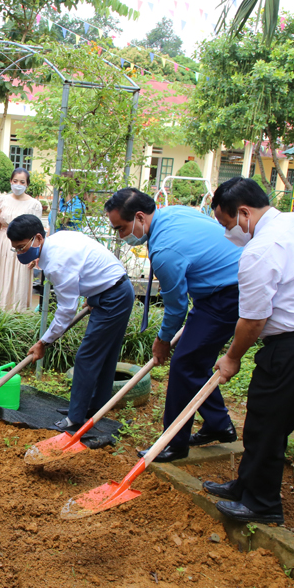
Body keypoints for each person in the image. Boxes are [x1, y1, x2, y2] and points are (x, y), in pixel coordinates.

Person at [205, 177, 294, 524]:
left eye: (227, 224)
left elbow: (252, 321)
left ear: (243, 212)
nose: (229, 233)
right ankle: (245, 487)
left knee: (267, 423)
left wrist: (232, 357)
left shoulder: (260, 250)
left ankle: (263, 505)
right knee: (264, 420)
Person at [106, 188, 243, 463]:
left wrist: (163, 340)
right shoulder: (172, 213)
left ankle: (173, 443)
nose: (121, 236)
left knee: (183, 365)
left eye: (121, 228)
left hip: (227, 294)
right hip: (219, 291)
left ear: (140, 217)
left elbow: (177, 306)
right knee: (195, 363)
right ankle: (219, 425)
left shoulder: (164, 250)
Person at [11, 214, 133, 431]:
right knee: (102, 358)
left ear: (38, 238)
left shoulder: (57, 263)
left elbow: (66, 311)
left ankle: (75, 419)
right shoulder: (57, 240)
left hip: (114, 297)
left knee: (87, 357)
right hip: (109, 290)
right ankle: (93, 408)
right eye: (16, 249)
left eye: (21, 247)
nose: (20, 253)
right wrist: (93, 291)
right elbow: (87, 263)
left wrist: (43, 342)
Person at [0, 167, 42, 310]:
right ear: (11, 181)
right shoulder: (2, 200)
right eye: (15, 181)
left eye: (22, 182)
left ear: (27, 184)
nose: (18, 184)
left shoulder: (34, 205)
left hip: (24, 248)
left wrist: (35, 256)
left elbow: (37, 233)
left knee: (19, 280)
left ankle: (17, 314)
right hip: (2, 245)